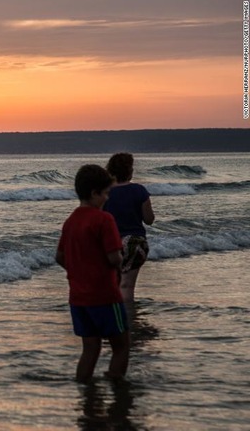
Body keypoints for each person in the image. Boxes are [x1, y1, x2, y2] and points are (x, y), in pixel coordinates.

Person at [56, 164, 130, 383]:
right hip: (105, 295)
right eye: (105, 193)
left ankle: (85, 391)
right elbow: (114, 258)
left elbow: (59, 257)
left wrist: (79, 271)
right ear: (94, 193)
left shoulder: (70, 221)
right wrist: (121, 258)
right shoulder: (104, 220)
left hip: (78, 298)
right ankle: (117, 389)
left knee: (90, 349)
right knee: (122, 345)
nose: (107, 199)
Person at [103, 153, 155, 304]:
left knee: (113, 284)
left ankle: (116, 317)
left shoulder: (104, 193)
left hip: (111, 244)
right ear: (129, 171)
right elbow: (149, 220)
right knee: (127, 285)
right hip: (135, 242)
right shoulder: (139, 190)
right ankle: (129, 318)